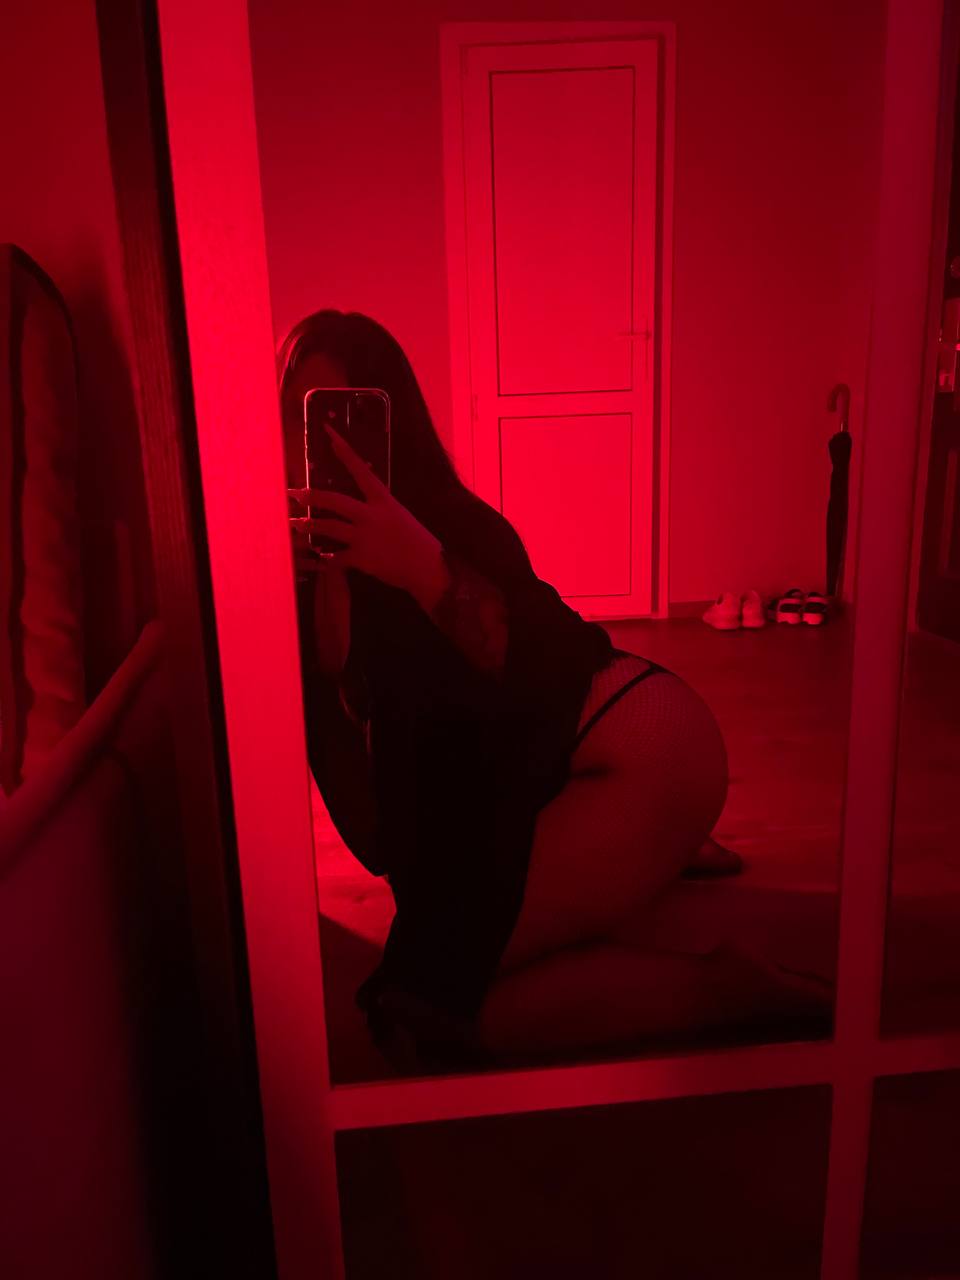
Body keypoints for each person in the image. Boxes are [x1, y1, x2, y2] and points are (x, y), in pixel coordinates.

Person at [280, 310, 830, 1069]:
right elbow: (375, 796)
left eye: (341, 422)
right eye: (300, 420)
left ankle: (726, 983)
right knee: (448, 1008)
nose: (320, 449)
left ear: (389, 425)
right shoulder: (293, 573)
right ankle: (658, 880)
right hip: (560, 771)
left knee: (414, 1004)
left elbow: (542, 658)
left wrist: (420, 565)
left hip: (645, 748)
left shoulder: (451, 526)